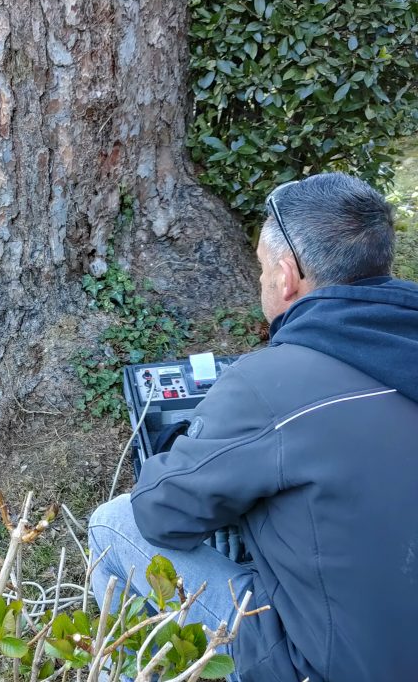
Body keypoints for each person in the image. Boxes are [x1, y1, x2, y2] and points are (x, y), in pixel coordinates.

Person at [88, 172, 418, 681]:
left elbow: (161, 515)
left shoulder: (269, 386)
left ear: (286, 276)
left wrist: (182, 450)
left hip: (323, 668)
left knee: (114, 523)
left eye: (262, 269)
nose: (263, 281)